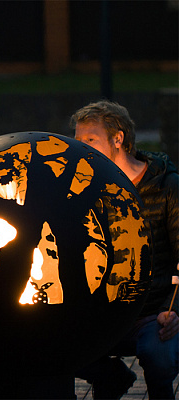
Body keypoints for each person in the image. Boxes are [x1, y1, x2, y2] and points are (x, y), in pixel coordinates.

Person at [70, 100, 179, 399]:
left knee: (159, 356)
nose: (82, 149)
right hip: (103, 312)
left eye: (91, 140)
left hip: (153, 311)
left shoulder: (166, 186)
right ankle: (112, 378)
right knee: (52, 344)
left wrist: (173, 310)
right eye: (78, 141)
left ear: (118, 138)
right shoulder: (85, 188)